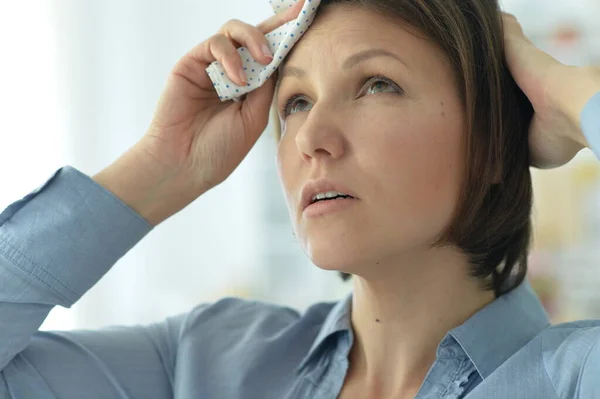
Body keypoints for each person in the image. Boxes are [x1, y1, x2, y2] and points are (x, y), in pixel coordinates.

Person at [1, 0, 599, 397]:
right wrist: (161, 167)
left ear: (491, 142)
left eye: (376, 85)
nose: (311, 138)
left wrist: (565, 92)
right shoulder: (207, 363)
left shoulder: (573, 378)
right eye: (295, 103)